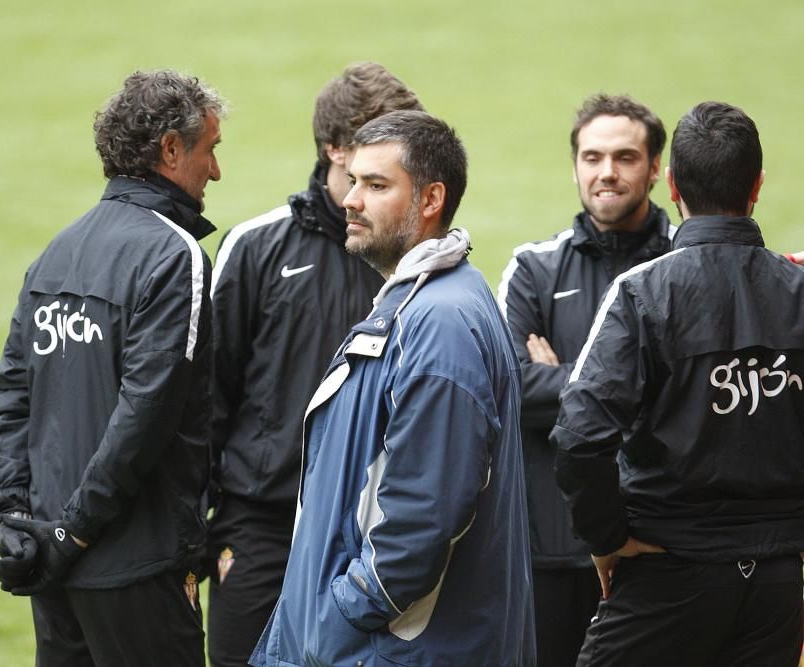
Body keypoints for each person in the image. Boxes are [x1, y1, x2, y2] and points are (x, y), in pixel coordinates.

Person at [251, 110, 535, 666]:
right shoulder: (420, 304)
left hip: (390, 650)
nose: (351, 200)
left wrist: (339, 615)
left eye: (376, 185)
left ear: (430, 200)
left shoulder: (440, 324)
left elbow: (423, 517)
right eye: (353, 180)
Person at [0, 69, 225, 666]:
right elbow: (145, 418)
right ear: (171, 149)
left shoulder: (56, 252)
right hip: (133, 569)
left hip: (54, 573)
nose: (215, 170)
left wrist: (17, 518)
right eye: (209, 149)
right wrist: (74, 531)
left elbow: (8, 401)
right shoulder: (175, 255)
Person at [553, 101, 804, 665]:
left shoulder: (642, 292)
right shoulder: (798, 289)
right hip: (777, 586)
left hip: (666, 571)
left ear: (670, 183)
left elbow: (579, 436)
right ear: (758, 185)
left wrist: (608, 537)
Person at [206, 61, 422, 667]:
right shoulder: (256, 247)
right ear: (336, 147)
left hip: (374, 536)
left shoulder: (417, 258)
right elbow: (206, 400)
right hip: (261, 530)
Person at [496, 93, 674, 666]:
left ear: (655, 170)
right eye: (592, 157)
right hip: (549, 552)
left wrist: (563, 378)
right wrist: (643, 381)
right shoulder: (533, 268)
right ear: (575, 165)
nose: (606, 173)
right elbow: (513, 390)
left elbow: (699, 392)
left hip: (658, 547)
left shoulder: (681, 265)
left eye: (625, 158)